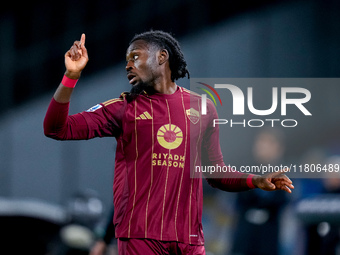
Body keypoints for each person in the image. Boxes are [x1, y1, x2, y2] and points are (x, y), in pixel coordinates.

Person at [44, 31, 294, 255]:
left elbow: (215, 173)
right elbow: (56, 128)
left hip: (190, 240)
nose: (128, 65)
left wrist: (255, 180)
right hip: (140, 237)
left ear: (162, 56)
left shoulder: (203, 108)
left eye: (135, 57)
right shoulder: (123, 108)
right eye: (127, 61)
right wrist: (70, 76)